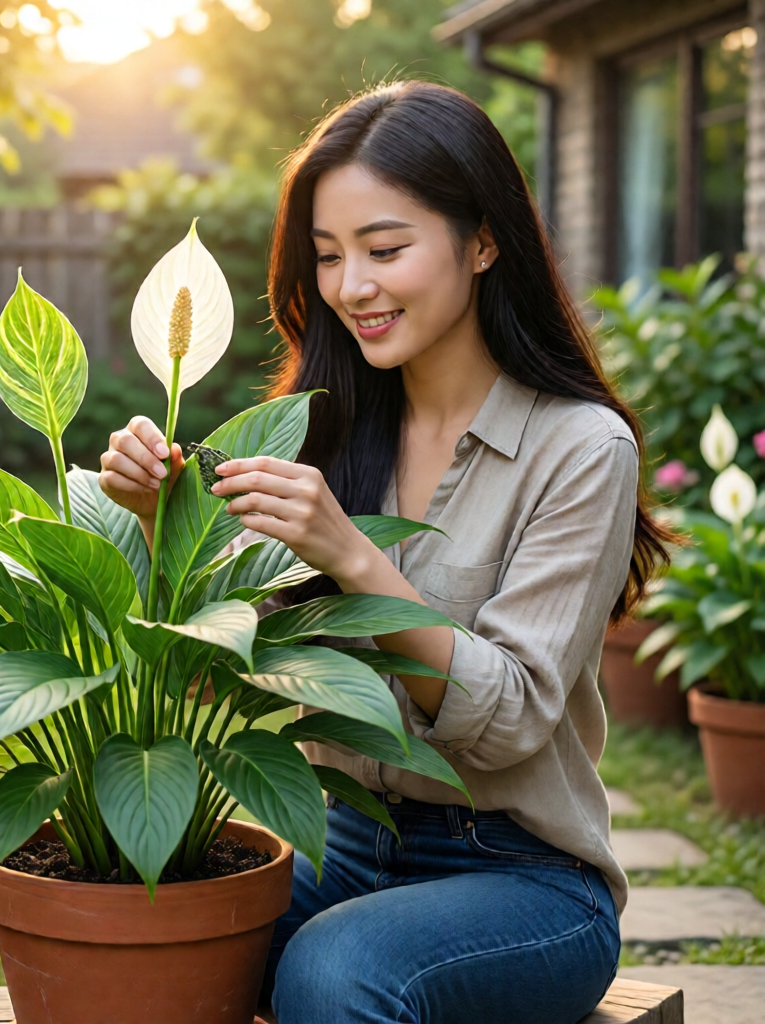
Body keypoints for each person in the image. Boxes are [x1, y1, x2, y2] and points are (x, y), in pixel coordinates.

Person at [97, 81, 674, 1024]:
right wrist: (164, 522)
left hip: (522, 877)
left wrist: (355, 557)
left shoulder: (581, 448)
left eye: (386, 249)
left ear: (483, 241)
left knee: (337, 969)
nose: (350, 286)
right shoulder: (325, 428)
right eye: (327, 257)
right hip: (341, 841)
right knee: (144, 929)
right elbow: (232, 670)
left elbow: (515, 716)